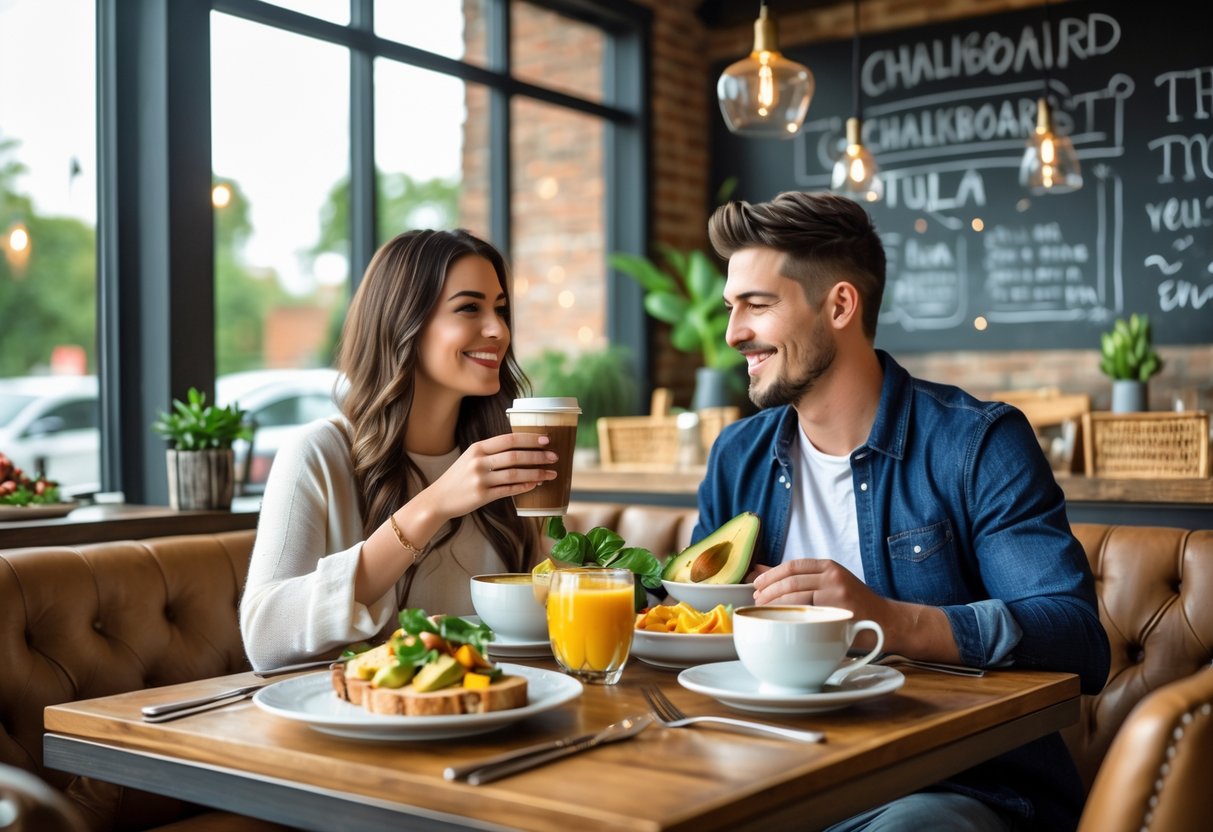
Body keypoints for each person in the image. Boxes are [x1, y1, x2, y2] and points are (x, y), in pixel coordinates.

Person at [696, 191, 1109, 831]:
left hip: (952, 787)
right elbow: (695, 622)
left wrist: (889, 619)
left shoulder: (976, 444)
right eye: (731, 307)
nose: (733, 333)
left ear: (839, 304)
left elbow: (1077, 637)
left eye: (758, 304)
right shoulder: (737, 456)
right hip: (773, 776)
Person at [240, 229, 556, 671]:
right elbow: (264, 637)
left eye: (500, 310)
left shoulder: (498, 462)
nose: (497, 330)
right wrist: (433, 505)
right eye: (469, 308)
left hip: (488, 716)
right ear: (404, 322)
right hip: (348, 725)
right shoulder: (317, 454)